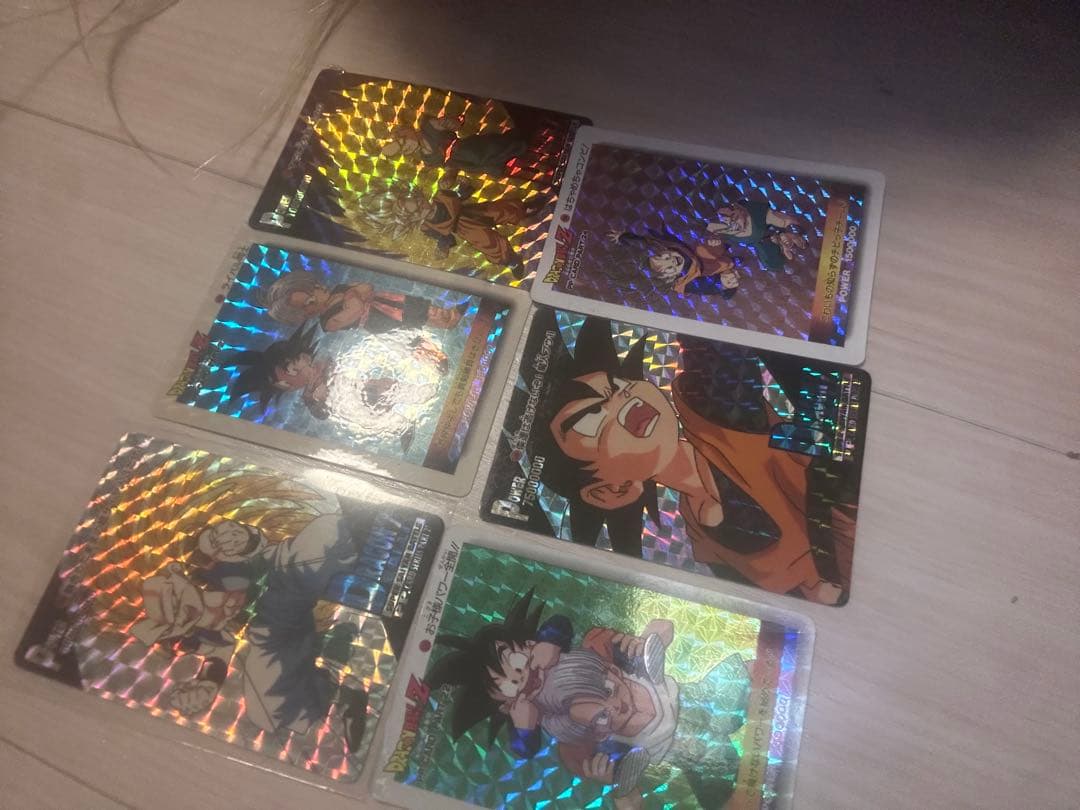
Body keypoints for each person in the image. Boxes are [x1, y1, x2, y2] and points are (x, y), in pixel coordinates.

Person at [531, 313, 848, 604]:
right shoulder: (702, 542)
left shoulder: (718, 415)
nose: (620, 400)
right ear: (611, 491)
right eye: (591, 421)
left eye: (617, 386)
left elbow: (717, 338)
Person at [136, 512, 372, 752]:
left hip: (283, 576)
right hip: (270, 629)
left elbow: (251, 548)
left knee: (310, 550)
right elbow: (218, 655)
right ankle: (343, 696)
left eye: (176, 598)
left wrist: (242, 538)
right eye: (178, 616)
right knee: (265, 713)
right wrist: (207, 685)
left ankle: (357, 529)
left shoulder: (213, 565)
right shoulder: (198, 633)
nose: (181, 609)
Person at [532, 618, 751, 810]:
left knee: (750, 672)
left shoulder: (633, 666)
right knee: (735, 795)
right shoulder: (620, 747)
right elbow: (632, 804)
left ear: (612, 671)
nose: (616, 706)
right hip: (697, 754)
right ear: (599, 734)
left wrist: (643, 639)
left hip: (705, 698)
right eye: (602, 716)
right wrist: (617, 784)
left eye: (608, 691)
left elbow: (665, 627)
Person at [261, 271, 465, 332]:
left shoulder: (338, 289)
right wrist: (354, 295)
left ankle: (446, 316)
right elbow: (356, 309)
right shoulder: (328, 322)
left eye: (314, 286)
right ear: (307, 313)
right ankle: (446, 322)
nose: (319, 289)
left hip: (384, 300)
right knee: (413, 315)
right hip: (378, 319)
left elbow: (367, 287)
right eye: (311, 298)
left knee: (419, 306)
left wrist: (354, 295)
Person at [226, 322, 333, 418]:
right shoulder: (313, 384)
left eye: (308, 362)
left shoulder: (322, 367)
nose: (311, 370)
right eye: (294, 370)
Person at [607, 229, 739, 298]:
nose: (671, 261)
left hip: (697, 253)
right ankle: (732, 261)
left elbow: (642, 243)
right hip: (705, 268)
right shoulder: (685, 283)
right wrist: (723, 285)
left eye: (663, 257)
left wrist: (623, 237)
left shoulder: (665, 247)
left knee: (710, 248)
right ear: (670, 278)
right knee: (719, 264)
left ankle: (728, 249)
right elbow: (704, 287)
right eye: (669, 268)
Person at [380, 113, 525, 176]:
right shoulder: (427, 158)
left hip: (472, 148)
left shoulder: (429, 126)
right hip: (467, 164)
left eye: (402, 141)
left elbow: (453, 123)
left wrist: (453, 121)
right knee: (497, 169)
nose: (406, 147)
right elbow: (448, 167)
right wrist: (450, 175)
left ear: (407, 129)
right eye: (401, 150)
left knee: (510, 146)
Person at [705, 200, 807, 271]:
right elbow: (711, 235)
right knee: (772, 263)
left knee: (774, 263)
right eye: (726, 221)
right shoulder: (721, 228)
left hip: (770, 240)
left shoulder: (757, 213)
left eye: (734, 217)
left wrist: (788, 233)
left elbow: (788, 221)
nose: (733, 224)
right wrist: (713, 240)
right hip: (764, 246)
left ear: (740, 210)